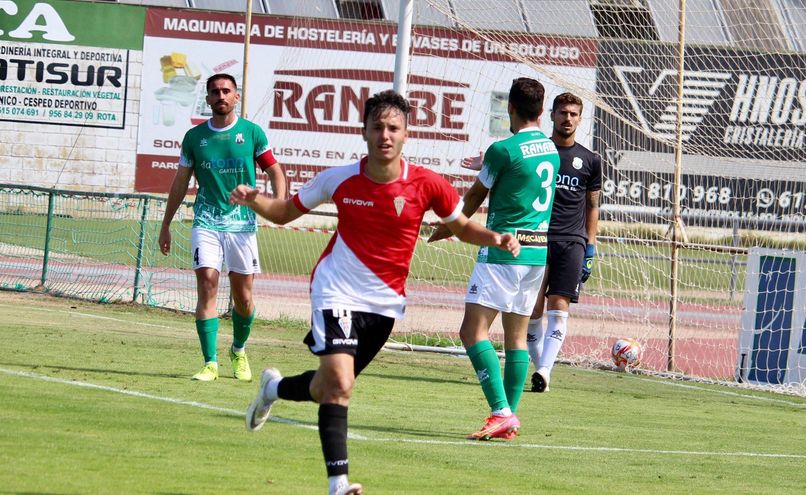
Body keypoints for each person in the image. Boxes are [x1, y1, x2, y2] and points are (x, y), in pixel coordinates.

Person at [230, 90, 520, 495]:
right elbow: (283, 213)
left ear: (406, 134)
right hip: (336, 290)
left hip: (384, 304)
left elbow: (461, 226)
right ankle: (339, 484)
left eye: (393, 128)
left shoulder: (427, 184)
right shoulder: (339, 178)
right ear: (363, 132)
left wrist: (496, 237)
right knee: (342, 384)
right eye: (378, 127)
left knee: (326, 387)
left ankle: (272, 389)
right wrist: (255, 199)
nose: (385, 135)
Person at [428, 77, 560, 440]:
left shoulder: (502, 150)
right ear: (541, 109)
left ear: (511, 108)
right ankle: (509, 417)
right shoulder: (550, 149)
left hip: (503, 251)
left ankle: (500, 411)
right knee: (516, 338)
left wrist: (448, 227)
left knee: (472, 331)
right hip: (537, 252)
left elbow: (472, 198)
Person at [158, 73, 286, 382]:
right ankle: (210, 362)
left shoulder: (251, 133)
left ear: (236, 96)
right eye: (215, 92)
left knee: (243, 298)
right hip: (206, 221)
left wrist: (280, 203)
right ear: (207, 99)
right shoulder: (194, 137)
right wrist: (166, 224)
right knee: (207, 285)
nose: (221, 96)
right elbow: (180, 182)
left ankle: (238, 350)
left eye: (226, 91)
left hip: (242, 225)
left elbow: (275, 170)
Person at [527, 92, 602, 393]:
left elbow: (592, 205)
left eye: (573, 114)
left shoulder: (591, 160)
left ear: (580, 119)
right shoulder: (538, 152)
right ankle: (539, 368)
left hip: (572, 242)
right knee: (532, 311)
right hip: (536, 238)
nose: (567, 118)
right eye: (562, 113)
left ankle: (544, 370)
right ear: (552, 115)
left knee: (558, 307)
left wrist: (591, 245)